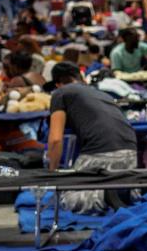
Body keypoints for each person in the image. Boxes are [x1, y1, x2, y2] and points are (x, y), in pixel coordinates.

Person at [46, 62, 138, 212]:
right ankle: (125, 192)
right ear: (81, 77)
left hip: (100, 151)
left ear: (57, 84)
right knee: (105, 180)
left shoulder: (60, 93)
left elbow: (56, 139)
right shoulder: (102, 94)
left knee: (67, 199)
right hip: (131, 151)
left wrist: (51, 176)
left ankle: (104, 196)